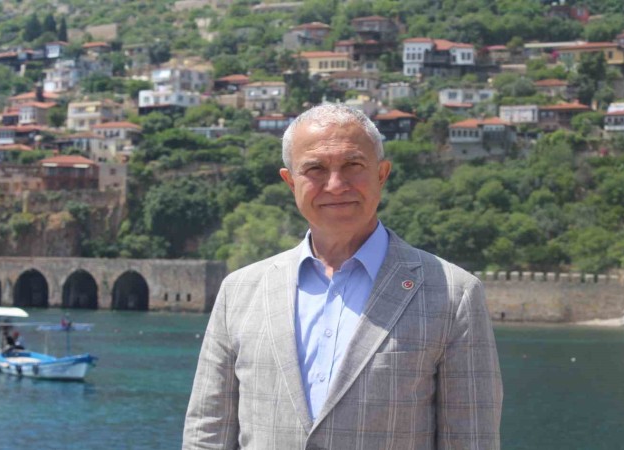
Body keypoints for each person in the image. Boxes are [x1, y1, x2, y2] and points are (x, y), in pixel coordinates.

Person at [183, 104, 503, 449]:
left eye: (353, 165)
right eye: (315, 169)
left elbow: (472, 440)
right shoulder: (239, 291)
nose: (335, 185)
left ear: (382, 174)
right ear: (290, 182)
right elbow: (207, 434)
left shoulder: (453, 294)